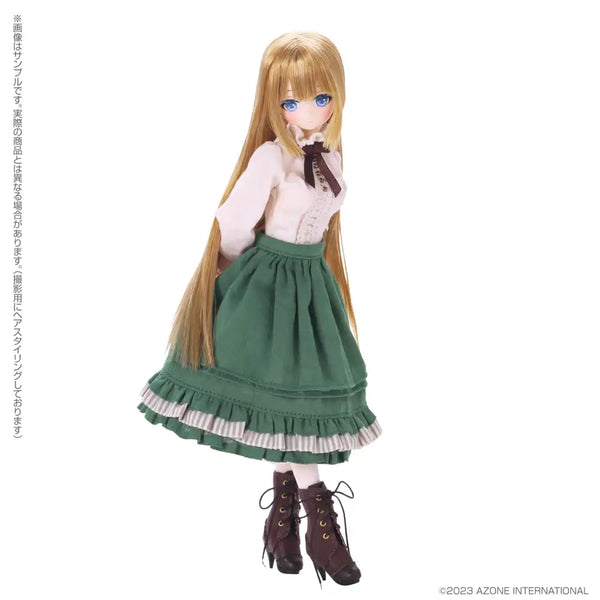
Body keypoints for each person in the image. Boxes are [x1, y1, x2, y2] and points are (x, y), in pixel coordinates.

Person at [137, 31, 382, 587]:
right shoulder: (272, 156)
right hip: (269, 287)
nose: (308, 110)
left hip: (311, 287)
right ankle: (320, 528)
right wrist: (236, 277)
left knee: (291, 396)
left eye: (321, 97)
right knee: (284, 396)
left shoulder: (329, 156)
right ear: (275, 103)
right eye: (291, 101)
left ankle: (282, 525)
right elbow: (232, 222)